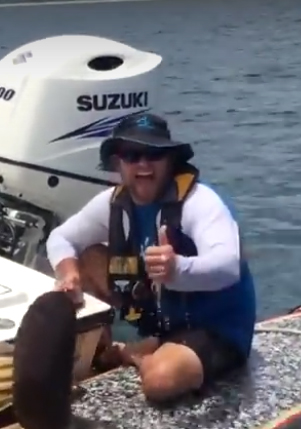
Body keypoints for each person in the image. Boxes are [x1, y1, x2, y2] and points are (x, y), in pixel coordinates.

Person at [45, 113, 258, 403]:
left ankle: (135, 355)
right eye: (132, 155)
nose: (143, 164)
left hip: (216, 329)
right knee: (85, 255)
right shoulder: (111, 203)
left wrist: (177, 269)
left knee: (159, 382)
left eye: (153, 154)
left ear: (170, 161)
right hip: (161, 321)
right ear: (118, 162)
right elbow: (61, 238)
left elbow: (228, 266)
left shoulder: (200, 201)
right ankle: (103, 350)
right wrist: (68, 275)